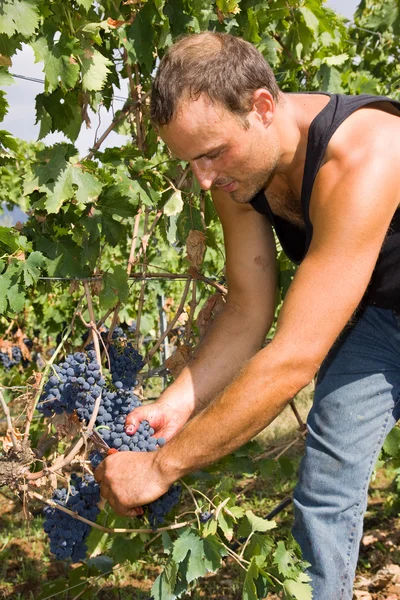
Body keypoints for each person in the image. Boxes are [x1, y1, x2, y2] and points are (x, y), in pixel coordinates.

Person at [94, 32, 400, 599]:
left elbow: (292, 360)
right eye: (191, 161)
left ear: (261, 106)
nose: (205, 178)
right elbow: (247, 307)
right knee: (327, 484)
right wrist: (177, 401)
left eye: (211, 153)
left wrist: (161, 468)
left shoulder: (370, 152)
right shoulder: (238, 174)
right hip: (384, 317)